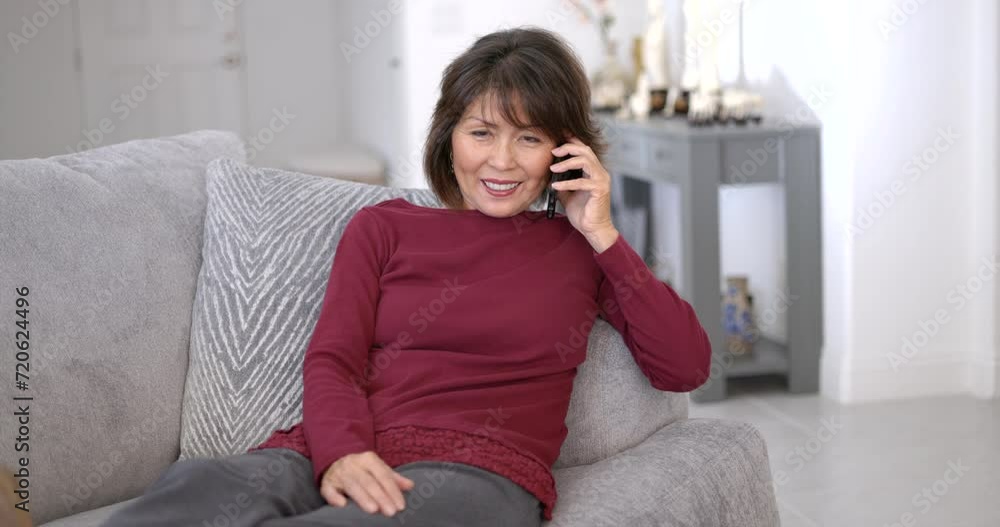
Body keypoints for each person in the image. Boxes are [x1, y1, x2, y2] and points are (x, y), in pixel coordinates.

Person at [101, 26, 711, 527]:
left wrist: (603, 234)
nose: (501, 161)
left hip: (475, 475)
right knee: (193, 491)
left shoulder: (582, 250)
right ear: (449, 140)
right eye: (481, 133)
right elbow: (332, 360)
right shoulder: (384, 227)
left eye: (528, 138)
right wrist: (341, 452)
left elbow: (683, 366)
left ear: (564, 151)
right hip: (327, 450)